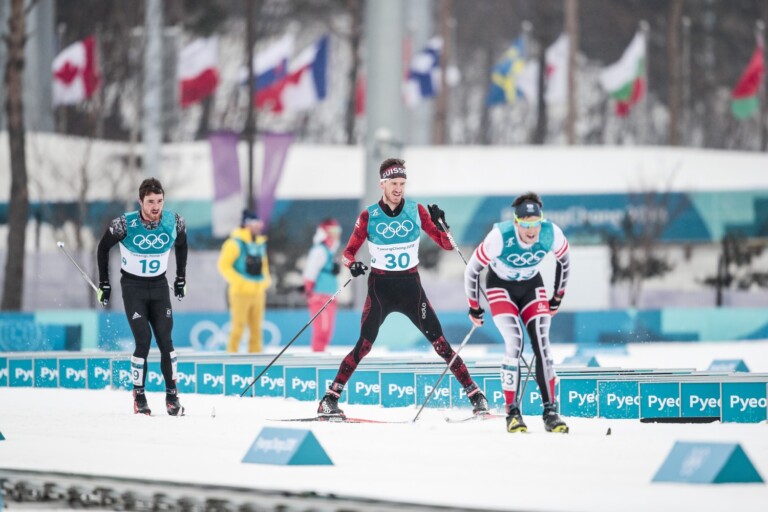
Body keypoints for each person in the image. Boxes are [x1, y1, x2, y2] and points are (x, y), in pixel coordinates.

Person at [317, 158, 489, 417]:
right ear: (382, 184)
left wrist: (443, 225)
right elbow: (348, 253)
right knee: (364, 345)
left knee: (440, 343)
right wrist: (352, 265)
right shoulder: (369, 216)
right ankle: (329, 398)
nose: (398, 189)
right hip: (380, 289)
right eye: (393, 183)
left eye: (402, 184)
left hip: (411, 289)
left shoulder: (416, 210)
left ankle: (475, 395)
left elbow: (447, 245)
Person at [464, 192, 570, 433]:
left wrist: (557, 297)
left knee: (542, 343)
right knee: (515, 342)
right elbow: (472, 270)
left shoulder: (550, 232)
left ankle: (551, 413)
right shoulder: (499, 237)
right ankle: (513, 413)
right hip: (500, 286)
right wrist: (474, 306)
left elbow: (565, 261)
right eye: (525, 225)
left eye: (535, 224)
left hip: (531, 285)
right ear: (516, 222)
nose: (531, 231)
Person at [96, 177, 188, 416]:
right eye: (150, 202)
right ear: (140, 201)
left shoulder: (174, 221)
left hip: (159, 287)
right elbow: (103, 247)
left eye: (159, 201)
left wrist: (180, 278)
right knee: (143, 340)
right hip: (133, 288)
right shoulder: (124, 224)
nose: (156, 207)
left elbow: (182, 245)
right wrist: (104, 283)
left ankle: (172, 396)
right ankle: (139, 396)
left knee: (166, 341)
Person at [217, 210, 271, 353]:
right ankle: (231, 356)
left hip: (258, 292)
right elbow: (223, 266)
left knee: (256, 329)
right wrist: (240, 282)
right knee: (238, 327)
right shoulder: (233, 243)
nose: (260, 226)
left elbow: (264, 266)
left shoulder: (259, 243)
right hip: (240, 293)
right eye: (257, 223)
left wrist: (265, 281)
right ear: (247, 224)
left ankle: (256, 358)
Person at [302, 218, 343, 352]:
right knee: (322, 330)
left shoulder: (331, 250)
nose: (337, 233)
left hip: (330, 295)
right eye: (334, 230)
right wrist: (309, 291)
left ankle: (320, 352)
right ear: (326, 231)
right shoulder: (320, 250)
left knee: (327, 331)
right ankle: (317, 354)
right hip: (320, 296)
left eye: (338, 230)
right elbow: (310, 272)